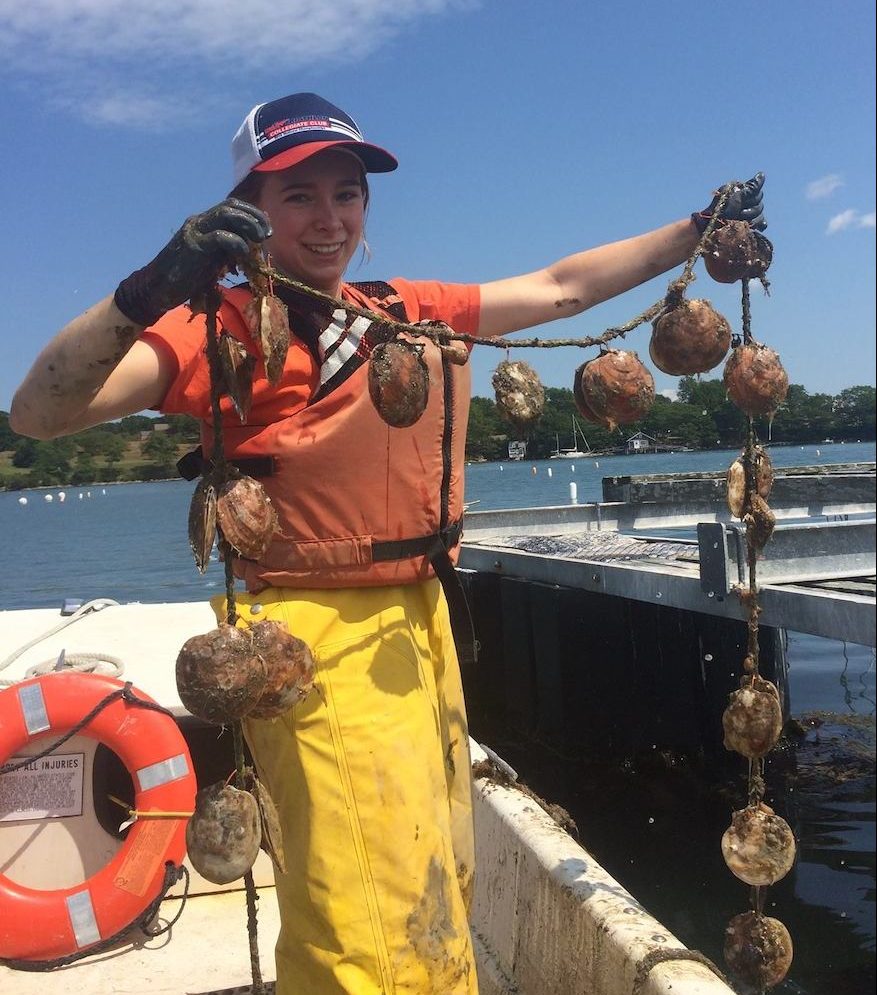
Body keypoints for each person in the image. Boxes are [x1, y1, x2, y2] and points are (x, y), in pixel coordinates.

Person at [10, 91, 766, 995]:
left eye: (347, 192)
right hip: (302, 638)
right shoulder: (223, 327)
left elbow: (562, 286)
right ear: (251, 205)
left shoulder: (405, 307)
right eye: (298, 195)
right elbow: (41, 413)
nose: (328, 217)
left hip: (419, 621)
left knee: (434, 873)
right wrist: (145, 290)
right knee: (358, 910)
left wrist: (695, 229)